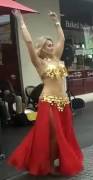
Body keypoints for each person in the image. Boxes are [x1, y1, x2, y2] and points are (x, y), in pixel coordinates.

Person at [8, 10, 83, 176]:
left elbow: (62, 39)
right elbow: (28, 42)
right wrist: (21, 21)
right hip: (48, 102)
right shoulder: (39, 62)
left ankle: (55, 160)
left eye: (52, 44)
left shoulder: (57, 58)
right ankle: (48, 164)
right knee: (54, 134)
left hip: (63, 102)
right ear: (42, 48)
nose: (52, 46)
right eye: (48, 45)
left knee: (63, 134)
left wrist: (56, 22)